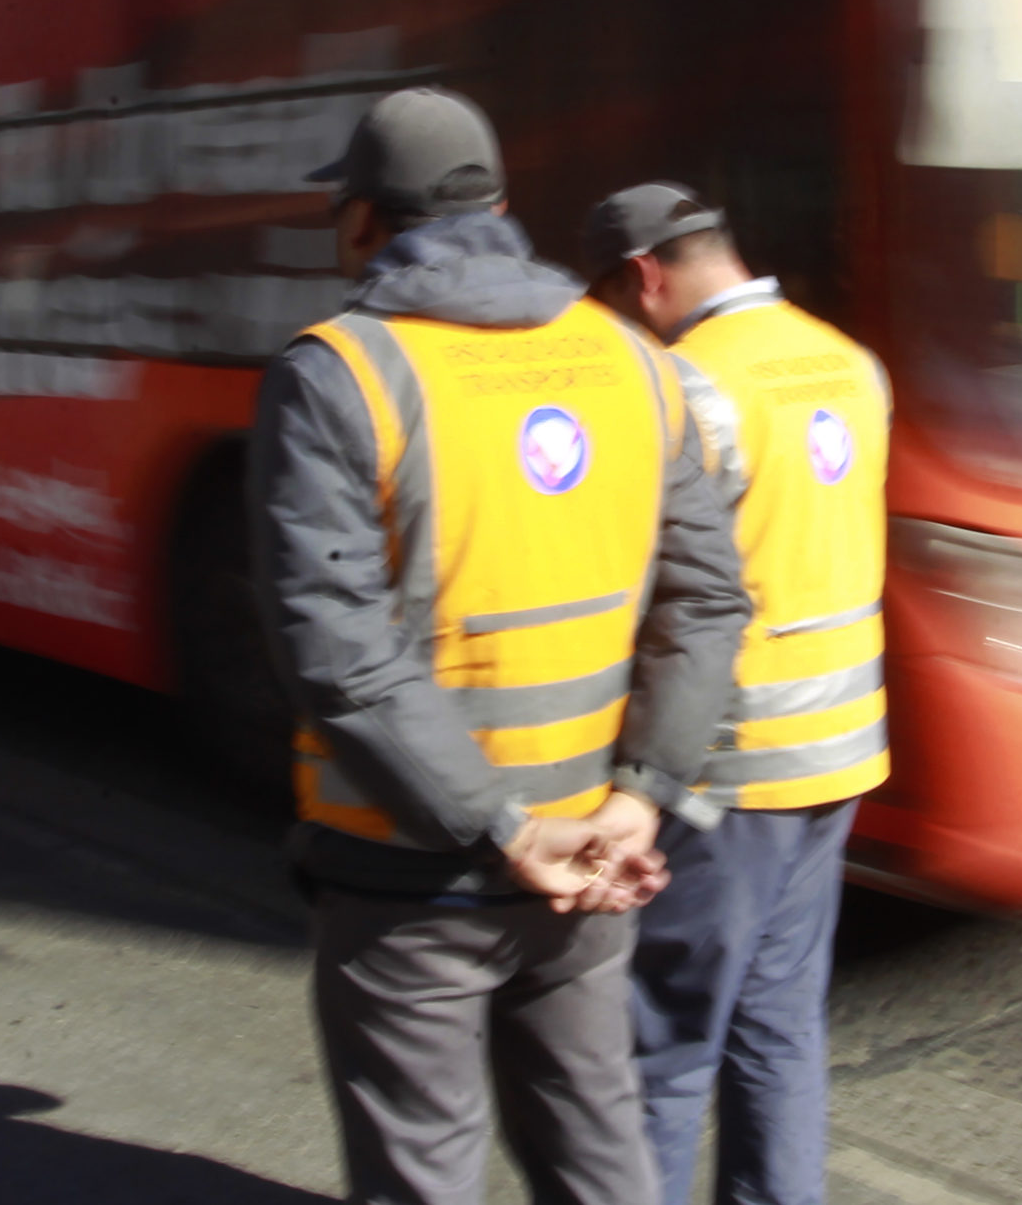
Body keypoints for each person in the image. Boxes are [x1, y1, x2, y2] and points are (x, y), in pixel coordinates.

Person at [250, 92, 749, 1205]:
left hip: (409, 873)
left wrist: (501, 826)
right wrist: (642, 796)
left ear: (365, 220)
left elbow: (335, 648)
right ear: (502, 208)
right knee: (597, 1154)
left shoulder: (341, 372)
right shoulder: (631, 360)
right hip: (591, 858)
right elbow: (708, 600)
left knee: (422, 1169)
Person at [584, 183, 891, 1205]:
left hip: (729, 772)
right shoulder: (850, 363)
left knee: (664, 1048)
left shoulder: (687, 387)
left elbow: (654, 591)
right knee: (779, 1027)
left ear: (644, 274)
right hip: (843, 751)